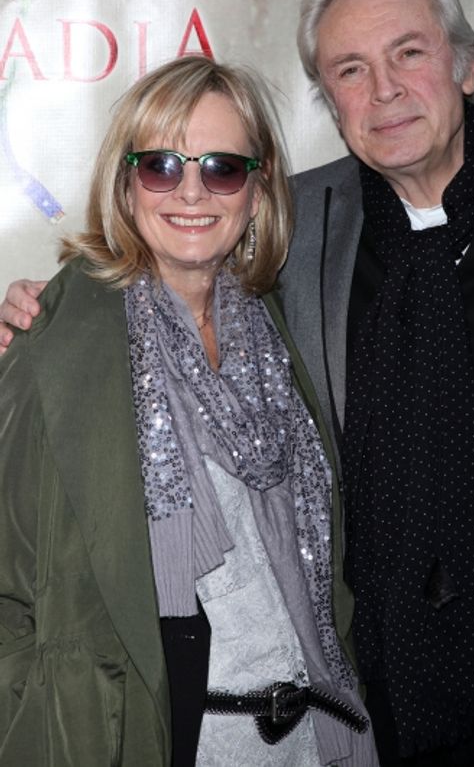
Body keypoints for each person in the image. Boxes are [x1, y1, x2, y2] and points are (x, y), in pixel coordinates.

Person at [3, 0, 474, 767]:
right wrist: (36, 317)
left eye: (409, 53)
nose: (383, 90)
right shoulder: (299, 230)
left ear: (466, 64)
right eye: (349, 70)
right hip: (365, 705)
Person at [0, 55, 377, 767]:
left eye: (223, 167)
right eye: (161, 166)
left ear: (258, 189)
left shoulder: (282, 322)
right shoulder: (58, 336)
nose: (193, 191)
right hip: (155, 738)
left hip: (318, 738)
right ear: (125, 182)